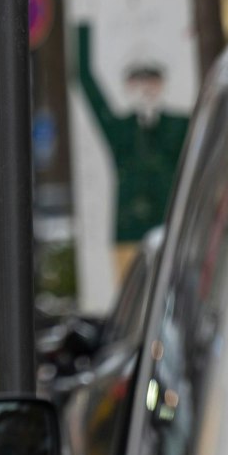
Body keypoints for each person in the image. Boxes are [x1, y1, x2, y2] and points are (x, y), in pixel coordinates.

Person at [77, 23, 191, 278]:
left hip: (170, 229)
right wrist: (83, 22)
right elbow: (85, 79)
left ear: (162, 84)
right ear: (128, 87)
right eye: (138, 82)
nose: (145, 89)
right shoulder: (121, 129)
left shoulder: (180, 124)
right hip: (128, 233)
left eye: (151, 81)